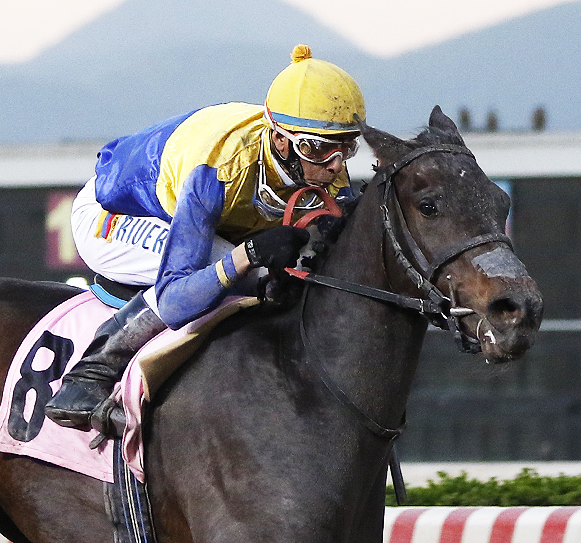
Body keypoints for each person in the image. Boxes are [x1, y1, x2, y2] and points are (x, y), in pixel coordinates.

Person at [45, 45, 364, 434]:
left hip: (194, 214)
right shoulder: (218, 170)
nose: (335, 166)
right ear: (281, 141)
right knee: (240, 271)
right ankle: (89, 376)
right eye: (319, 149)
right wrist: (250, 254)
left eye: (346, 147)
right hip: (113, 214)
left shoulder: (324, 165)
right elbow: (176, 297)